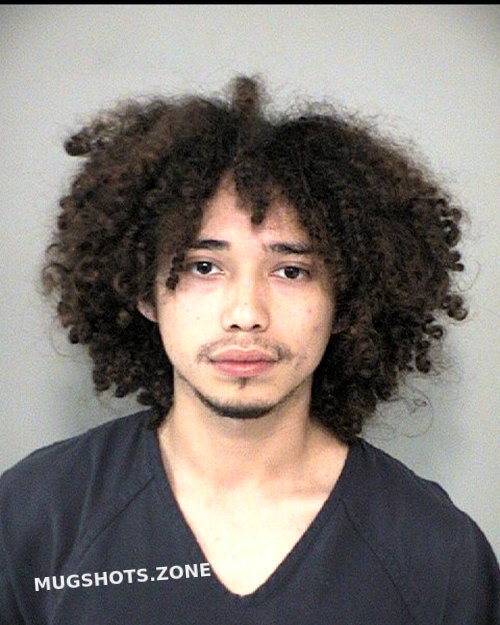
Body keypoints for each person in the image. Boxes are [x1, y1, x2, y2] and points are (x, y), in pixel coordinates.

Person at [0, 75, 498, 624]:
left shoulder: (437, 555)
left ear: (348, 299)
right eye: (203, 266)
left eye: (291, 270)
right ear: (142, 289)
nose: (246, 313)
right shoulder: (35, 516)